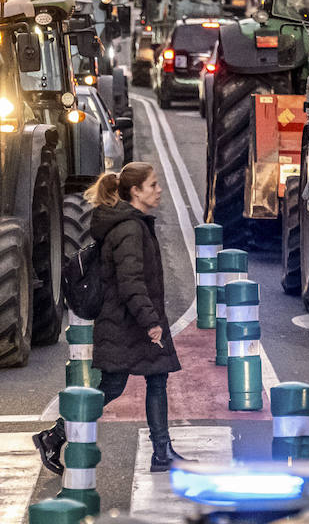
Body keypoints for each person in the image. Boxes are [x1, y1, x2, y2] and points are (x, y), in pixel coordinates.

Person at [32, 162, 190, 474]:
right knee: (115, 387)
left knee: (155, 380)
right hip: (127, 324)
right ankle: (54, 436)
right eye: (153, 185)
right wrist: (151, 322)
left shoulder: (131, 224)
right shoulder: (129, 229)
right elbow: (131, 282)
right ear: (135, 192)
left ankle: (162, 452)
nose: (159, 191)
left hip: (127, 322)